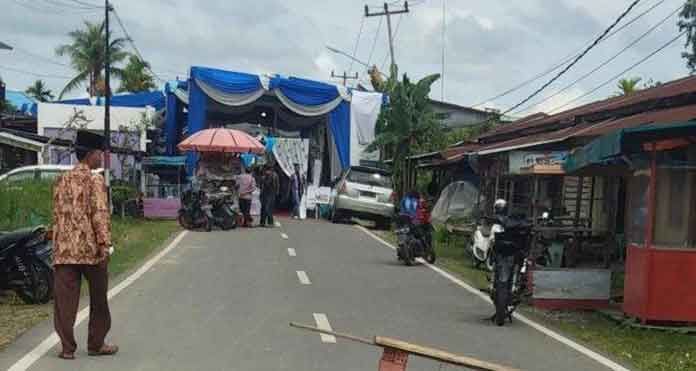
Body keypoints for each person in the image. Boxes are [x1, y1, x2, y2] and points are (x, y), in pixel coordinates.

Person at [51, 130, 118, 360]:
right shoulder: (94, 179)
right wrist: (105, 244)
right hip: (91, 251)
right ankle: (96, 344)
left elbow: (58, 215)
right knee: (99, 298)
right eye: (99, 152)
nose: (101, 157)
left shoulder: (61, 180)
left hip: (64, 251)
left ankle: (67, 348)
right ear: (90, 154)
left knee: (64, 302)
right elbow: (99, 213)